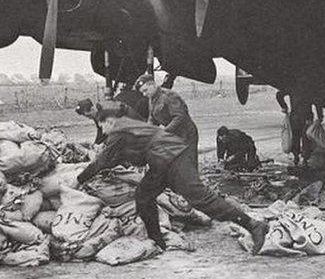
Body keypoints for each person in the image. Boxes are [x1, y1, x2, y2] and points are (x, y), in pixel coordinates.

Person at [76, 107, 269, 252]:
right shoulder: (125, 128)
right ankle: (157, 241)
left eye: (103, 125)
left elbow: (102, 160)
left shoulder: (118, 133)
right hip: (161, 161)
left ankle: (253, 225)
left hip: (175, 158)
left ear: (110, 121)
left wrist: (79, 179)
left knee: (200, 198)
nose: (103, 130)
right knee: (143, 195)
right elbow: (119, 156)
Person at [135, 74, 199, 169]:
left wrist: (163, 133)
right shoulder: (152, 99)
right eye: (142, 92)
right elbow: (152, 117)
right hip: (173, 134)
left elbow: (179, 117)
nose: (144, 94)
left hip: (186, 134)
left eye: (145, 90)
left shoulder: (169, 96)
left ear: (152, 84)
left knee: (188, 164)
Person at [276, 90, 321, 167]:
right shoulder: (310, 88)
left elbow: (279, 94)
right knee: (306, 139)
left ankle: (296, 158)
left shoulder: (292, 87)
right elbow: (317, 102)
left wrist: (284, 106)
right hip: (307, 117)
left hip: (295, 117)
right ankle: (305, 160)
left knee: (295, 138)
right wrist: (320, 116)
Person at [75, 98, 143, 144]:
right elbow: (100, 130)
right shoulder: (95, 114)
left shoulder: (106, 110)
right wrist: (96, 143)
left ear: (92, 109)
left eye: (88, 116)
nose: (89, 118)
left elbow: (113, 131)